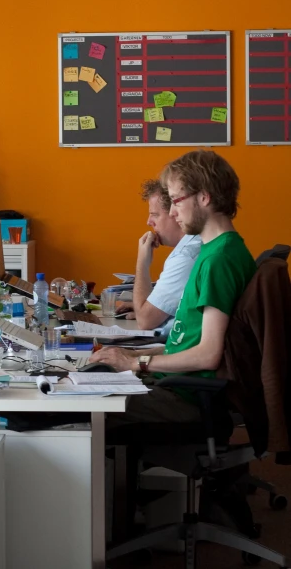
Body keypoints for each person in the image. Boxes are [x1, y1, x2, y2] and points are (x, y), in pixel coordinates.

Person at [91, 150, 257, 429]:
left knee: (81, 408)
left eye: (176, 200)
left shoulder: (219, 260)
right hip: (176, 383)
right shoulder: (212, 251)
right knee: (87, 378)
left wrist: (136, 364)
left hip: (186, 396)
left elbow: (207, 354)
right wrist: (129, 357)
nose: (171, 212)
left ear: (204, 197)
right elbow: (183, 344)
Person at [117, 179, 201, 333]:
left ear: (175, 213)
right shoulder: (190, 246)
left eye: (154, 215)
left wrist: (142, 263)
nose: (149, 222)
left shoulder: (186, 256)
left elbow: (145, 321)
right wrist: (150, 306)